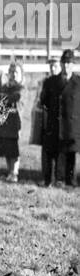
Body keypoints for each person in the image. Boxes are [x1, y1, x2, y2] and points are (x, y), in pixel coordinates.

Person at [0, 61, 24, 182]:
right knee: (7, 147)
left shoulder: (21, 87)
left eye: (16, 72)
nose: (13, 74)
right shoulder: (5, 87)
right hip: (5, 122)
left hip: (16, 121)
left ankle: (14, 172)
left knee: (14, 149)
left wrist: (2, 98)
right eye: (11, 72)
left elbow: (16, 98)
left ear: (21, 74)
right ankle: (9, 171)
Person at [38, 57, 65, 186]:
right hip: (49, 120)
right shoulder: (47, 82)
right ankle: (47, 178)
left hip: (62, 121)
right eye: (51, 67)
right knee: (47, 151)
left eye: (55, 66)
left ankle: (59, 178)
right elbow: (42, 101)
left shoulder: (65, 82)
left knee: (61, 151)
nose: (52, 69)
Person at [58, 49, 79, 187]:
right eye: (64, 62)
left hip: (73, 124)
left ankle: (71, 180)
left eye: (69, 63)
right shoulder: (54, 81)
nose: (66, 66)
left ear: (73, 65)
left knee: (71, 153)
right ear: (61, 64)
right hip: (60, 123)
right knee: (60, 153)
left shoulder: (78, 82)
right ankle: (59, 178)